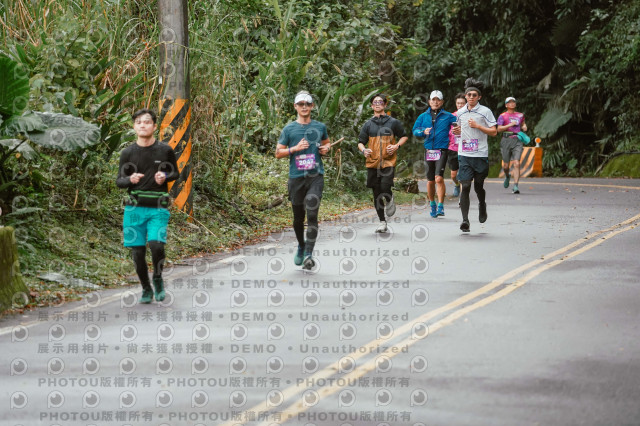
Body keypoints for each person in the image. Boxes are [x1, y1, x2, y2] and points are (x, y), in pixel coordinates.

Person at [116, 108, 179, 303]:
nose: (142, 125)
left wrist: (165, 176)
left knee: (156, 245)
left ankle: (158, 278)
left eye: (146, 122)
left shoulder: (165, 150)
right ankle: (146, 288)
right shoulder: (128, 153)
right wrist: (130, 179)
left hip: (158, 208)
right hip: (134, 209)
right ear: (134, 126)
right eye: (138, 122)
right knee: (137, 252)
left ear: (154, 126)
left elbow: (175, 173)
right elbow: (119, 181)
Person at [275, 91, 331, 270]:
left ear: (312, 106)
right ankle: (301, 245)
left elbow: (327, 143)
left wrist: (326, 149)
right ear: (295, 106)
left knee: (312, 214)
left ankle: (308, 254)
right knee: (298, 218)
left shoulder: (320, 127)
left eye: (307, 104)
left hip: (315, 177)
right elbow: (278, 153)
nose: (304, 107)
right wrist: (295, 148)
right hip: (296, 178)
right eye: (301, 104)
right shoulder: (289, 129)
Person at [357, 93, 408, 233]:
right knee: (376, 192)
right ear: (372, 106)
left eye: (380, 102)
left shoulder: (393, 122)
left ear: (385, 105)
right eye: (375, 102)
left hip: (388, 161)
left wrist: (396, 146)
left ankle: (389, 198)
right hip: (372, 163)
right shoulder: (368, 124)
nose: (377, 104)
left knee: (385, 186)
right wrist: (364, 150)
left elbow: (404, 136)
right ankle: (382, 222)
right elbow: (360, 142)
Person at [453, 78, 497, 232]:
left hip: (480, 154)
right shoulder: (460, 113)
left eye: (474, 95)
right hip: (464, 154)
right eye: (469, 95)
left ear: (479, 97)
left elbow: (494, 131)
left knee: (478, 186)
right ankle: (465, 221)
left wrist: (478, 126)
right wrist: (456, 131)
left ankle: (482, 204)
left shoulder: (485, 111)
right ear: (465, 96)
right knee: (465, 186)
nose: (471, 97)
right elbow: (458, 131)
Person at [412, 90, 457, 218]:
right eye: (433, 99)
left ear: (442, 102)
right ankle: (432, 204)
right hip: (429, 151)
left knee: (439, 178)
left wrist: (457, 130)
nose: (435, 102)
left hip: (442, 150)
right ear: (429, 101)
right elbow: (415, 130)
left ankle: (441, 205)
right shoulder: (423, 116)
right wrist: (423, 132)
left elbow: (459, 125)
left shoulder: (448, 116)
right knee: (430, 181)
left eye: (438, 100)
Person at [497, 97, 528, 194]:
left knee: (517, 163)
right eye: (509, 102)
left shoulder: (520, 115)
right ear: (506, 105)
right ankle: (507, 176)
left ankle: (515, 186)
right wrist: (510, 125)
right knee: (506, 166)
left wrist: (524, 126)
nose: (512, 104)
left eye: (513, 102)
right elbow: (499, 129)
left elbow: (523, 124)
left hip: (517, 140)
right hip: (506, 140)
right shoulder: (502, 116)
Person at [447, 93, 467, 198]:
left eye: (462, 103)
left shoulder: (470, 116)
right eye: (458, 103)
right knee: (453, 175)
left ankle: (463, 197)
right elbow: (445, 130)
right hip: (453, 148)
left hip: (466, 148)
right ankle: (456, 184)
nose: (460, 105)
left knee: (464, 173)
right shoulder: (451, 116)